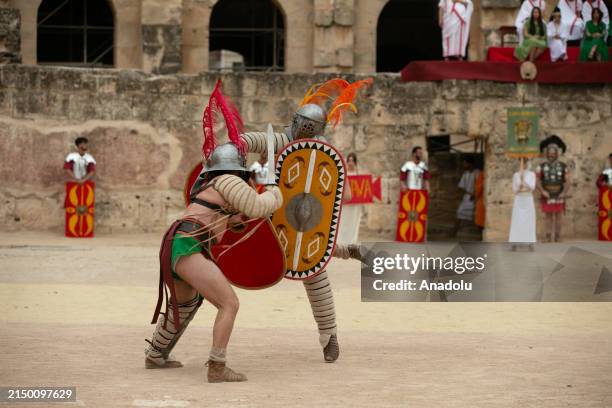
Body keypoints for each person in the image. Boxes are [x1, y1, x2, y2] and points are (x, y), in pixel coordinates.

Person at [145, 82, 283, 383]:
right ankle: (217, 366)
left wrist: (236, 218)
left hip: (177, 243)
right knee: (229, 303)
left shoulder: (209, 184)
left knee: (185, 302)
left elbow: (232, 218)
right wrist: (274, 190)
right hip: (187, 246)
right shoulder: (228, 182)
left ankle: (156, 354)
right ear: (236, 168)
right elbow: (259, 206)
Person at [240, 78, 371, 363]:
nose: (306, 133)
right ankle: (347, 250)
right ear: (297, 122)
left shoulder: (321, 151)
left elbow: (338, 191)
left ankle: (330, 336)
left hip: (303, 217)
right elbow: (255, 140)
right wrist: (237, 147)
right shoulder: (281, 140)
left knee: (312, 267)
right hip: (272, 210)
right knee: (251, 245)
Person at [536, 135, 570, 242]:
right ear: (546, 153)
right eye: (549, 153)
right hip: (547, 193)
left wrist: (564, 192)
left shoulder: (564, 166)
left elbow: (568, 181)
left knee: (559, 215)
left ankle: (557, 236)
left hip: (559, 193)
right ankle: (547, 236)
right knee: (548, 216)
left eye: (553, 153)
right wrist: (542, 191)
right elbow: (537, 180)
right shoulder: (540, 166)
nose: (551, 155)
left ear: (556, 154)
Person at [509, 158, 537, 250]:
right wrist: (519, 185)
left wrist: (524, 180)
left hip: (528, 198)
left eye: (526, 162)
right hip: (519, 199)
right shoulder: (516, 175)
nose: (524, 164)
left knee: (529, 220)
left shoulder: (532, 174)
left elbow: (532, 186)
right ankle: (514, 242)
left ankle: (530, 242)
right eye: (522, 162)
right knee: (517, 220)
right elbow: (514, 189)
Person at [338, 152, 362, 245]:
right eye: (349, 160)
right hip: (346, 203)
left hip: (355, 204)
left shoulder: (359, 175)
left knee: (353, 222)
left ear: (355, 162)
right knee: (343, 221)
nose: (351, 162)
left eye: (352, 160)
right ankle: (341, 241)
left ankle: (351, 241)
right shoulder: (344, 174)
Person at [456, 157, 480, 232]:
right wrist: (468, 193)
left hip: (476, 196)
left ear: (470, 164)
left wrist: (475, 194)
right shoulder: (465, 174)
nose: (464, 165)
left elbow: (480, 185)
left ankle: (479, 232)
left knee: (476, 214)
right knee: (460, 212)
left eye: (465, 163)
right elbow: (461, 187)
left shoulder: (477, 173)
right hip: (467, 197)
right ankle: (455, 230)